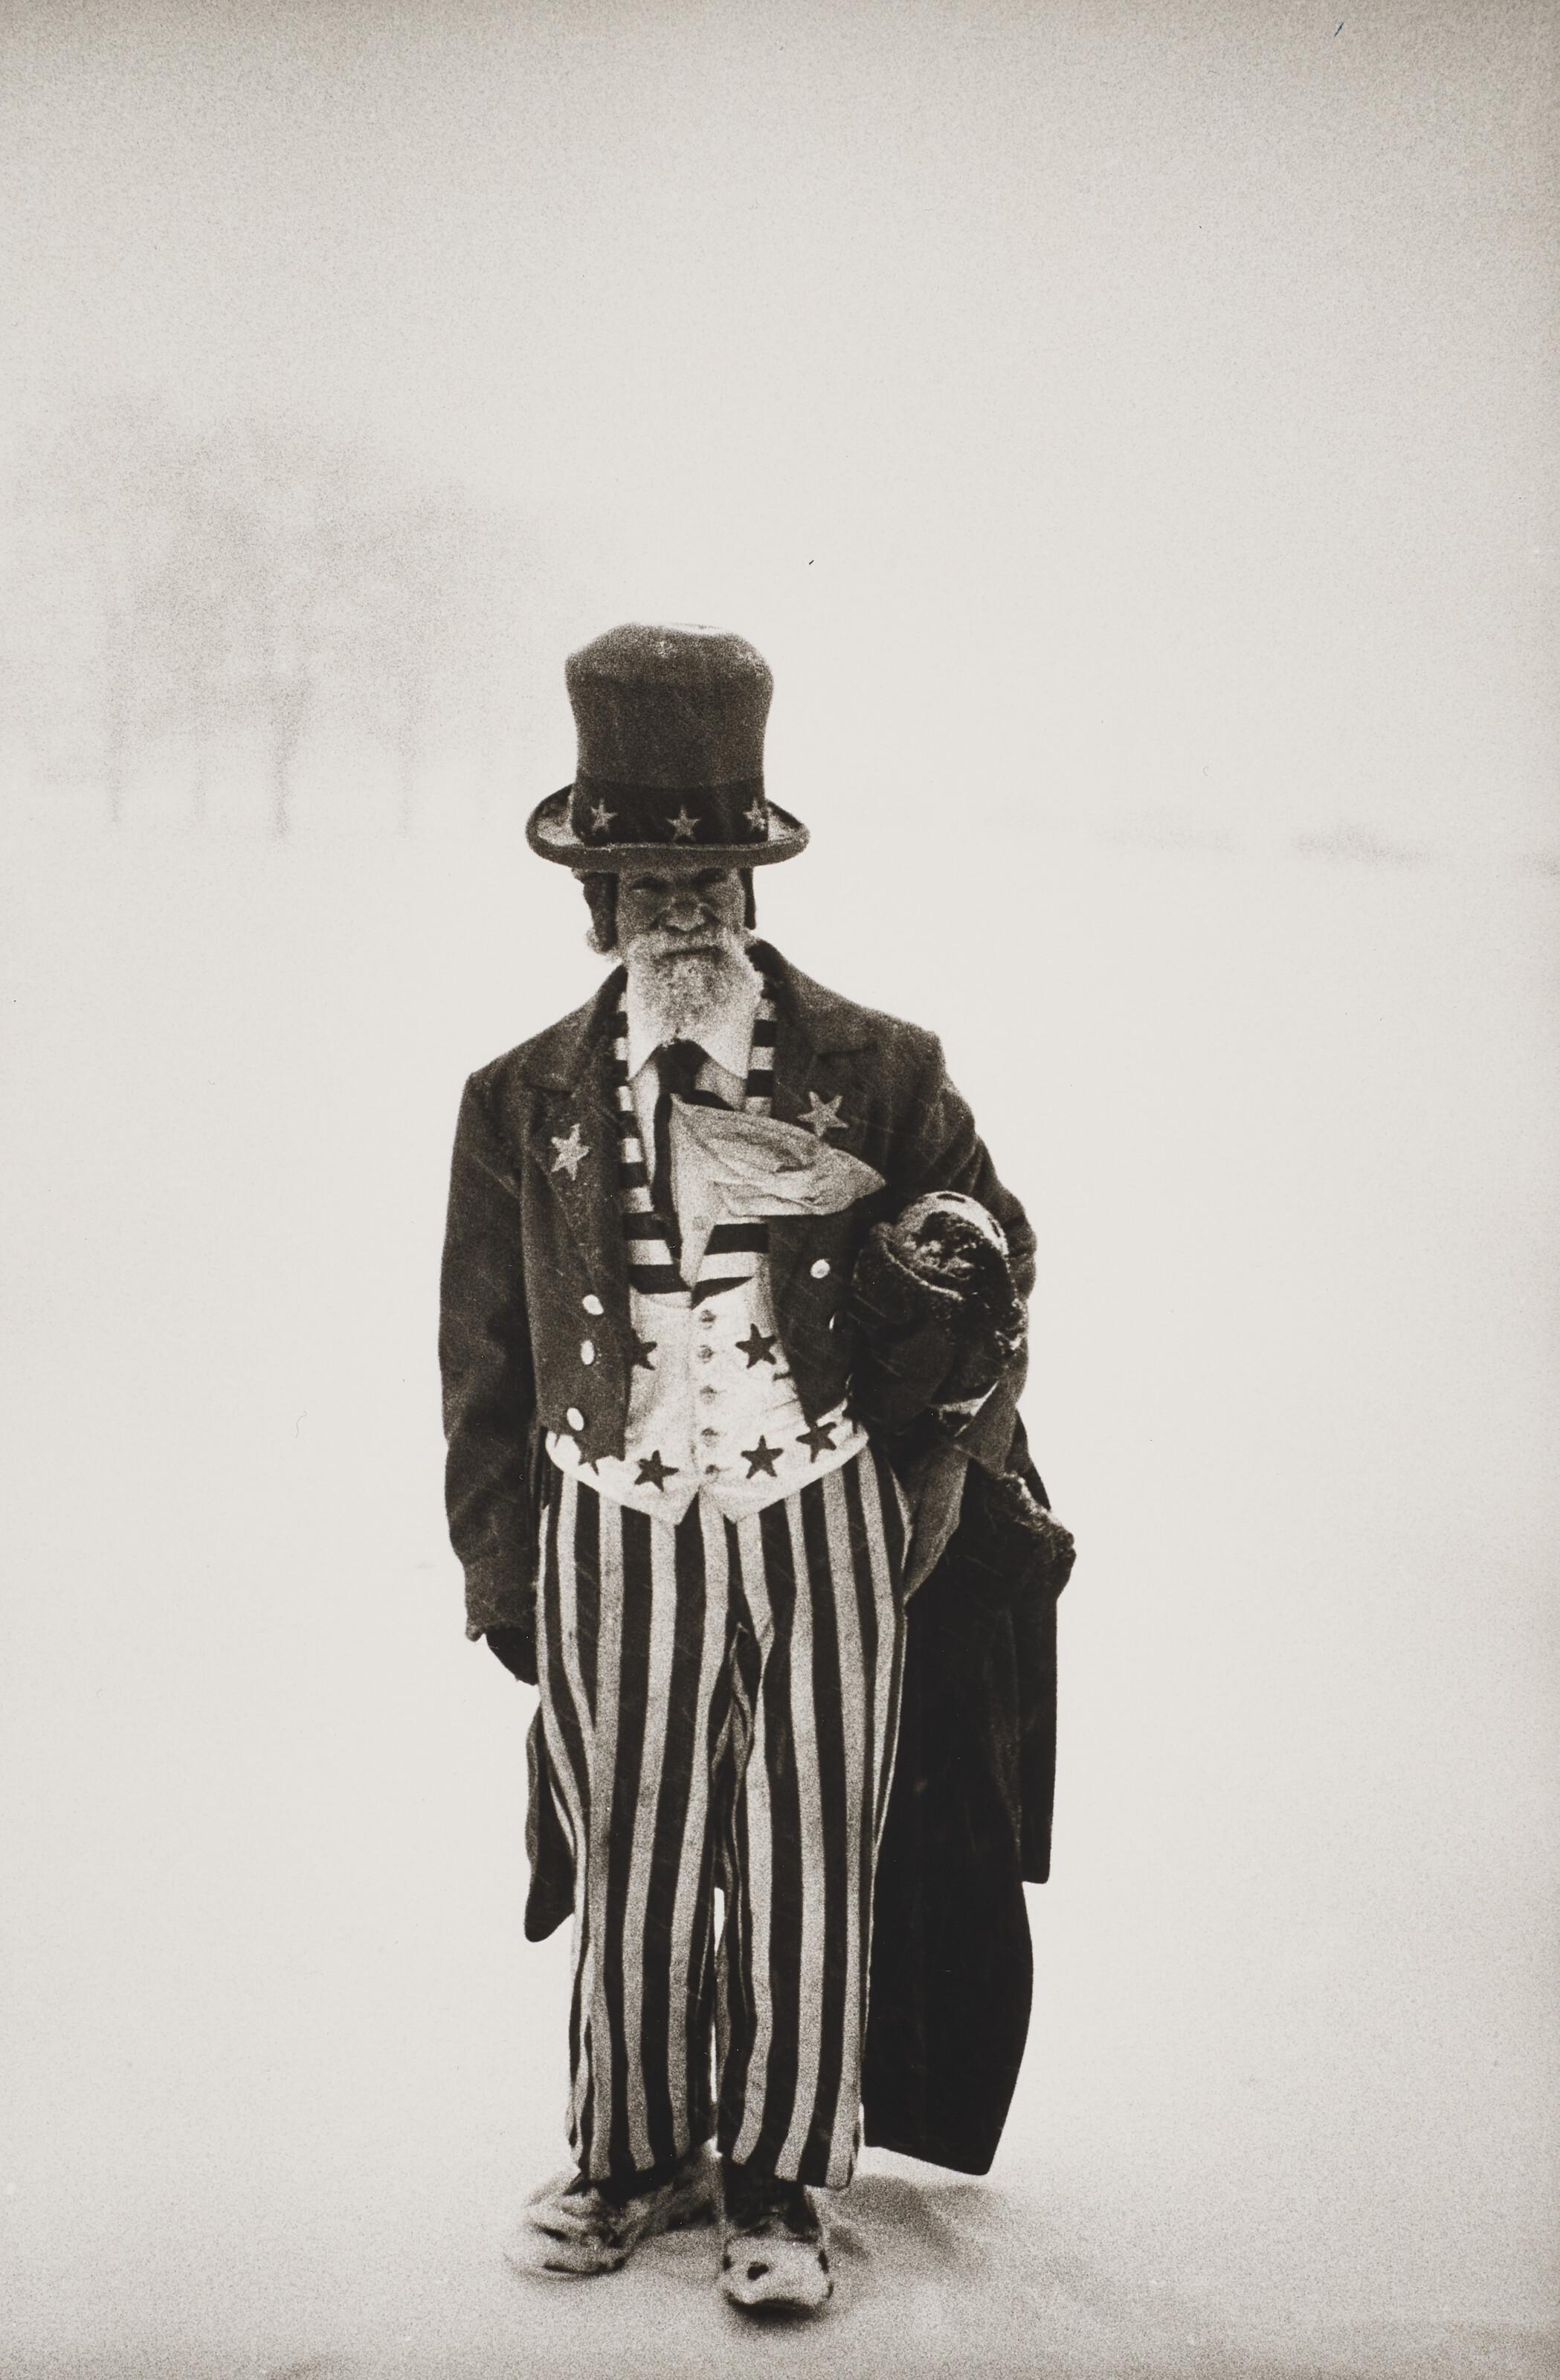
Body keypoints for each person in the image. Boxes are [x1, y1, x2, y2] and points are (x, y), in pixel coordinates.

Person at [439, 622, 1066, 2315]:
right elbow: (482, 1359)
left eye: (707, 871)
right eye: (646, 878)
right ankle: (629, 2150)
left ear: (752, 875)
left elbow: (993, 1263)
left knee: (800, 1845)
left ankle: (781, 2175)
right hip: (608, 1520)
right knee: (633, 1841)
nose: (681, 908)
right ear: (593, 896)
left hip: (827, 1514)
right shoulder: (518, 1101)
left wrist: (940, 1308)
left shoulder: (881, 1065)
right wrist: (501, 1566)